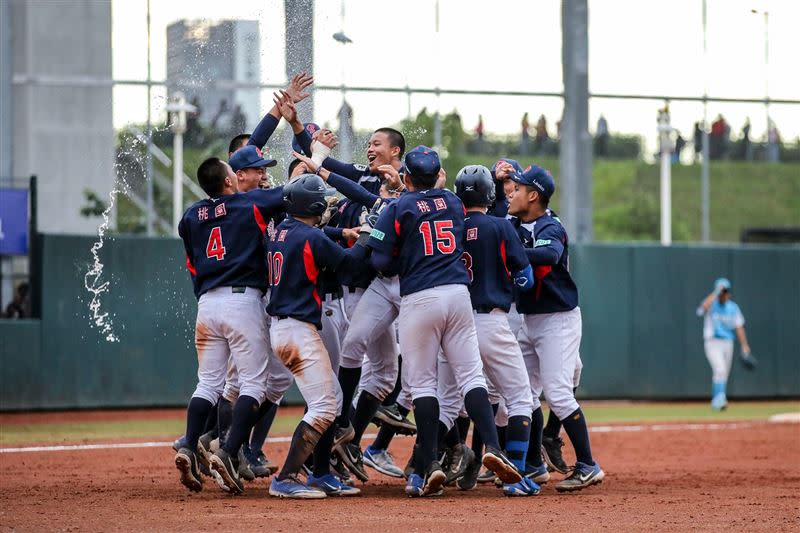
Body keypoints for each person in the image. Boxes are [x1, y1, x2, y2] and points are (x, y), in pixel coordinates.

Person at [368, 146, 522, 497]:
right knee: (471, 376)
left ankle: (430, 463)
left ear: (406, 177)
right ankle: (495, 450)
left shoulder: (398, 207)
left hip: (419, 298)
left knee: (422, 385)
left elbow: (380, 261)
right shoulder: (453, 203)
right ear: (439, 175)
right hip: (457, 295)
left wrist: (400, 255)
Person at [174, 156, 285, 494]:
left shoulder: (191, 215)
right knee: (254, 382)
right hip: (242, 299)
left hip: (207, 302)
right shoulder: (246, 203)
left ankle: (189, 445)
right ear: (227, 181)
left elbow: (193, 256)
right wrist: (318, 160)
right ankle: (228, 450)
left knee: (207, 384)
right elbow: (290, 193)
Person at [263, 174, 369, 498]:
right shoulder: (311, 235)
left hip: (284, 327)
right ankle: (286, 477)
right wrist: (368, 234)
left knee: (332, 400)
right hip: (297, 330)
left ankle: (321, 473)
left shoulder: (282, 229)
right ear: (316, 205)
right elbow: (350, 264)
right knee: (325, 407)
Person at [507, 164, 605, 492]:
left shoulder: (550, 226)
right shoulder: (512, 224)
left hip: (558, 321)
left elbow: (550, 252)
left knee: (559, 394)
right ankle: (533, 465)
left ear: (533, 195)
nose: (512, 193)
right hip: (529, 319)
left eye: (518, 189)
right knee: (520, 393)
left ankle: (588, 465)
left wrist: (511, 253)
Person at [452, 164, 539, 496]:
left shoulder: (453, 225)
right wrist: (511, 281)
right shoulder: (502, 227)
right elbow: (526, 278)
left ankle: (425, 467)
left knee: (456, 398)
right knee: (520, 396)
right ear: (490, 194)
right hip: (491, 319)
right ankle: (514, 476)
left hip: (457, 322)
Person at [696, 278, 754, 411]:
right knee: (720, 369)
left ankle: (717, 400)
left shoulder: (733, 307)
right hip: (713, 342)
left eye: (726, 291)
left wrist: (744, 345)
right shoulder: (712, 304)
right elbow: (700, 310)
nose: (724, 294)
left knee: (723, 373)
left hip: (728, 343)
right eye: (722, 292)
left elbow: (739, 327)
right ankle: (719, 399)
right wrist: (716, 292)